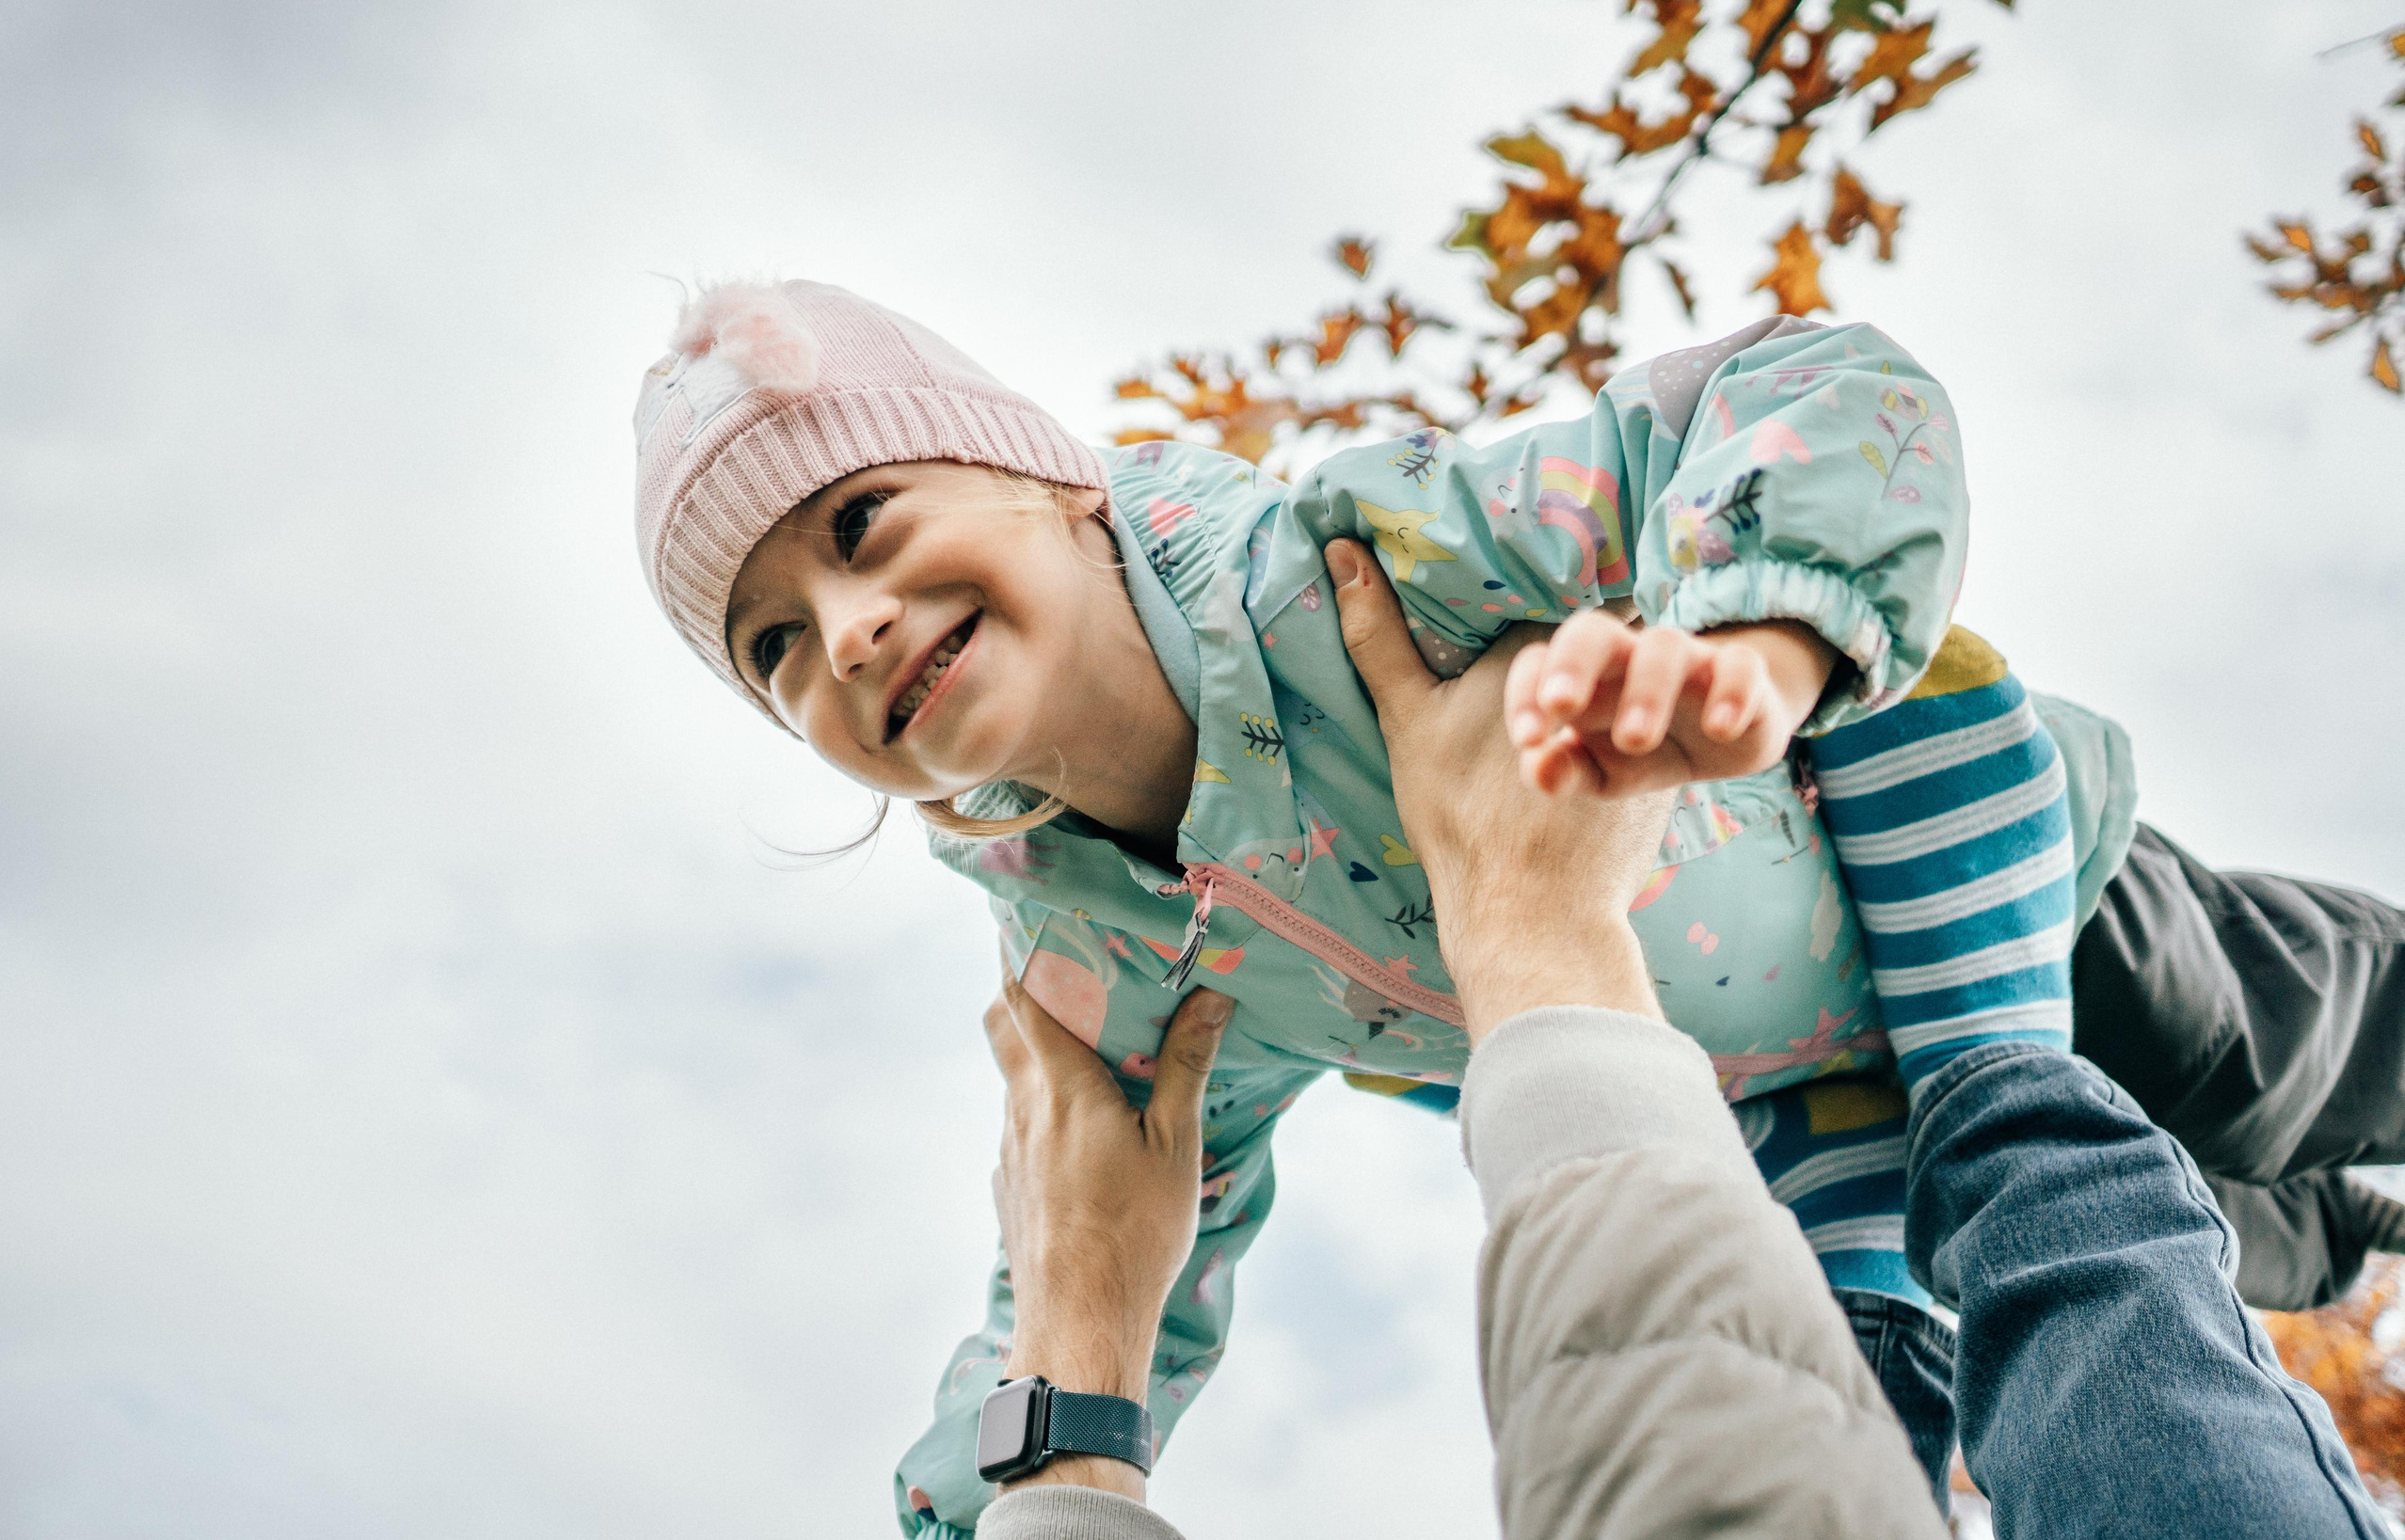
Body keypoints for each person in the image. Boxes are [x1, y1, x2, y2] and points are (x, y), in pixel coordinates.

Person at [627, 278, 2405, 1532]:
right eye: (773, 647)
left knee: (2281, 1053)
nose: (842, 634)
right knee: (2138, 1258)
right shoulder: (1101, 959)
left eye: (861, 524)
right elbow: (1092, 1274)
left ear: (1051, 476)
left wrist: (1757, 640)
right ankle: (2358, 1237)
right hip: (1779, 1117)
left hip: (1985, 878)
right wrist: (977, 1504)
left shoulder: (1355, 560)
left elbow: (1803, 385)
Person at [973, 550, 2381, 1540]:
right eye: (776, 646)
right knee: (2063, 1195)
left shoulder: (1316, 571)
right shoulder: (1149, 962)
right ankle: (2040, 1104)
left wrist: (1023, 1479)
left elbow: (1812, 413)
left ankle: (2189, 1183)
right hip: (1882, 1027)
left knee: (2238, 1081)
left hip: (1913, 951)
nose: (850, 638)